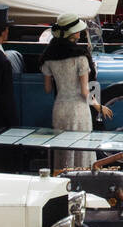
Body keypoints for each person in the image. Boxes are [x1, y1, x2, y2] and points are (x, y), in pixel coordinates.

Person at [40, 13, 113, 170]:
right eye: (78, 29)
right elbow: (85, 92)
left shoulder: (48, 57)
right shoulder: (80, 57)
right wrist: (99, 107)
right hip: (78, 111)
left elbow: (47, 89)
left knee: (63, 152)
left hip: (59, 109)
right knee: (81, 151)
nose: (80, 32)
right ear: (72, 33)